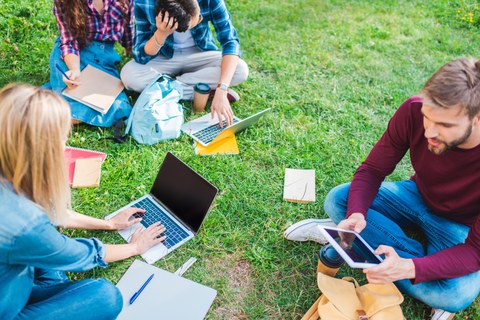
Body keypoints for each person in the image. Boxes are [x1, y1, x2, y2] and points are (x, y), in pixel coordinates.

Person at [284, 58, 480, 320]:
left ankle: (357, 245)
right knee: (339, 200)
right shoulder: (413, 109)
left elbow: (474, 252)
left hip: (459, 226)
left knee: (456, 294)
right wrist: (356, 214)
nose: (429, 132)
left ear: (476, 119)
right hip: (416, 195)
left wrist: (409, 267)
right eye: (427, 117)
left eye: (444, 125)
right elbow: (372, 170)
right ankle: (353, 235)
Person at [0, 84, 167, 319]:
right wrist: (135, 247)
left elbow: (51, 212)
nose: (65, 146)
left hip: (13, 280)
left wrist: (109, 224)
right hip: (10, 308)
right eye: (61, 139)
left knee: (49, 256)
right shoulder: (25, 226)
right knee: (105, 296)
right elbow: (81, 254)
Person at [120, 0, 249, 127]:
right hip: (162, 56)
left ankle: (164, 87)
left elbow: (230, 42)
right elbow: (140, 55)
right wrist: (161, 34)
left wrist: (222, 89)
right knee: (130, 76)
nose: (200, 19)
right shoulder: (145, 2)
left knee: (240, 69)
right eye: (197, 18)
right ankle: (203, 91)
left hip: (200, 53)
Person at [45, 0, 134, 127]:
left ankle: (61, 112)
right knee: (70, 93)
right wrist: (74, 69)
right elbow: (69, 41)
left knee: (119, 108)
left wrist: (131, 51)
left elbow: (128, 30)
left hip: (104, 59)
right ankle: (62, 112)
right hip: (74, 55)